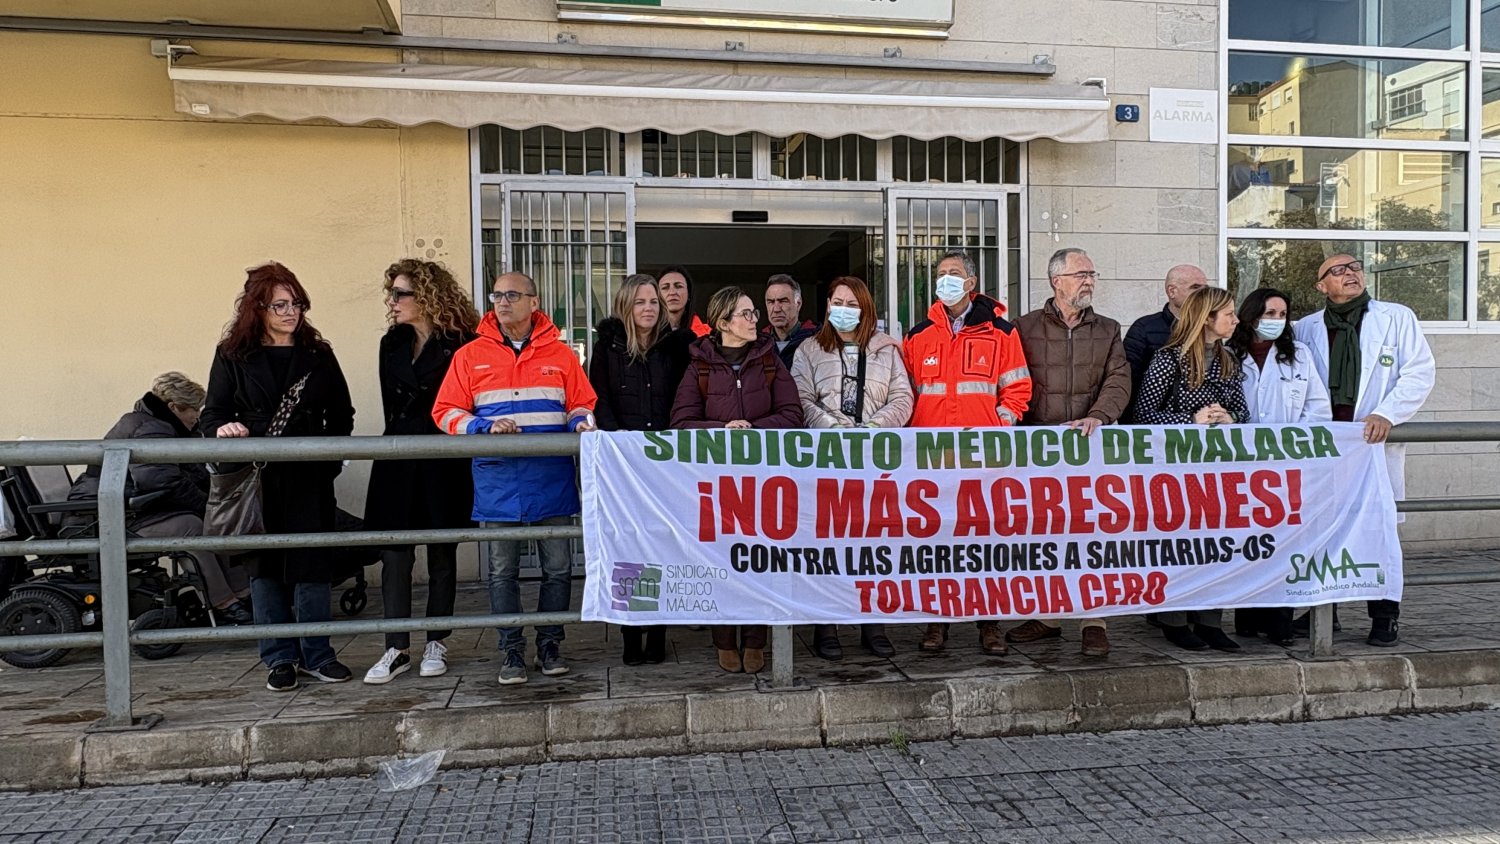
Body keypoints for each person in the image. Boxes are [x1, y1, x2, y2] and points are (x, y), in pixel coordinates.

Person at [432, 271, 597, 686]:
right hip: (498, 482)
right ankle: (510, 652)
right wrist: (480, 428)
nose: (502, 302)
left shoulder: (561, 356)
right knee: (501, 573)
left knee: (558, 569)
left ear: (534, 302)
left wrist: (582, 422)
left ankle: (550, 644)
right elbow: (445, 411)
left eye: (511, 295)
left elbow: (582, 403)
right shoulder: (469, 356)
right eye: (496, 295)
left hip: (551, 480)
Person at [203, 262, 356, 692]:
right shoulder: (233, 355)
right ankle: (279, 659)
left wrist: (329, 460)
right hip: (259, 479)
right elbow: (213, 412)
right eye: (281, 305)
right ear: (258, 309)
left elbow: (342, 414)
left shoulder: (317, 354)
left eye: (298, 304)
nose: (292, 312)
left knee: (311, 566)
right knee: (265, 570)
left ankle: (318, 654)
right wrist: (224, 429)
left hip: (308, 477)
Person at [1293, 254, 1435, 647]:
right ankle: (1326, 611)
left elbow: (1419, 372)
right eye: (1337, 270)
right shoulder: (1305, 328)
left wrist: (1386, 413)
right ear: (1322, 286)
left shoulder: (1396, 317)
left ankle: (1385, 615)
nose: (1350, 273)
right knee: (1324, 528)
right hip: (1327, 447)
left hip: (1373, 442)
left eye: (1354, 266)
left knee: (1379, 529)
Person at [902, 249, 1032, 656]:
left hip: (983, 460)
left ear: (972, 283)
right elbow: (906, 395)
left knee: (984, 545)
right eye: (940, 274)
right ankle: (935, 622)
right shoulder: (918, 335)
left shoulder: (1001, 332)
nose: (945, 281)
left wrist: (999, 428)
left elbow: (1018, 389)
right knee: (935, 542)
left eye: (954, 274)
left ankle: (988, 624)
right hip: (932, 458)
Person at [671, 285, 804, 674]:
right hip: (717, 486)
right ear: (723, 322)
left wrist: (754, 430)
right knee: (722, 562)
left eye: (753, 313)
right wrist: (722, 428)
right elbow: (681, 423)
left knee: (762, 560)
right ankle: (724, 639)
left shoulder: (768, 361)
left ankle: (756, 640)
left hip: (765, 484)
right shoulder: (699, 366)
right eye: (746, 314)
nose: (755, 320)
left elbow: (793, 414)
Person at [1007, 248, 1131, 658]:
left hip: (1090, 452)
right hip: (1038, 452)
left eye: (1093, 274)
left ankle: (1093, 621)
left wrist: (1099, 417)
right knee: (1043, 535)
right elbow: (1011, 382)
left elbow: (1118, 381)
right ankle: (1048, 615)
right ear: (1056, 280)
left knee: (1091, 537)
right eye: (1081, 274)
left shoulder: (1109, 329)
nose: (1089, 281)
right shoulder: (1022, 328)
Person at [362, 259, 480, 686]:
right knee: (395, 554)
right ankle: (396, 647)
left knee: (442, 553)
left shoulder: (463, 342)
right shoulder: (390, 343)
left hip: (443, 457)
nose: (392, 302)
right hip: (397, 456)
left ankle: (437, 641)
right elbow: (390, 405)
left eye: (401, 293)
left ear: (427, 296)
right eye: (391, 293)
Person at [789, 276, 913, 660]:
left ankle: (872, 625)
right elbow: (801, 398)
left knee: (872, 546)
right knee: (828, 547)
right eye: (836, 300)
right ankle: (827, 626)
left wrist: (873, 429)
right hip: (827, 460)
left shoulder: (885, 350)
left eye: (852, 302)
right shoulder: (808, 350)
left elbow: (903, 397)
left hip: (875, 463)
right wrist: (835, 428)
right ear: (827, 305)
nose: (843, 308)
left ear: (865, 308)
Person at [67, 372, 253, 625]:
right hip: (106, 518)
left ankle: (243, 594)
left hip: (126, 511)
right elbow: (163, 481)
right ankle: (226, 603)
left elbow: (183, 475)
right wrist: (206, 505)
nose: (197, 416)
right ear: (175, 407)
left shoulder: (154, 424)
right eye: (194, 410)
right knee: (192, 528)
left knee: (210, 522)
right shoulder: (151, 429)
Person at [589, 273, 695, 665]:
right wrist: (624, 446)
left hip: (667, 466)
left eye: (654, 301)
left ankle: (659, 631)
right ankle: (631, 631)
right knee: (630, 549)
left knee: (662, 546)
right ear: (626, 306)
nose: (649, 308)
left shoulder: (677, 346)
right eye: (641, 302)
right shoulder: (607, 347)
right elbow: (598, 399)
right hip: (625, 466)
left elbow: (686, 398)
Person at [1134, 287, 1247, 652]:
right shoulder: (1169, 359)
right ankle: (1174, 619)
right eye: (1228, 313)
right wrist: (1190, 420)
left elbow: (1244, 411)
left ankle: (1211, 620)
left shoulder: (1229, 359)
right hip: (1175, 469)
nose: (1235, 320)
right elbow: (1143, 415)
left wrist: (1230, 418)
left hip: (1216, 468)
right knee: (1177, 544)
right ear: (1207, 317)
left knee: (1216, 546)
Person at [1227, 286, 1332, 647]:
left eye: (1282, 315)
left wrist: (1290, 443)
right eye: (1269, 314)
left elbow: (1318, 408)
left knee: (1284, 544)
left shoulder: (1298, 354)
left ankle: (1279, 624)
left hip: (1287, 465)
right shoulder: (1228, 353)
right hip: (1239, 465)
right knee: (1247, 545)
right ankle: (1247, 619)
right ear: (1250, 315)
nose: (1276, 321)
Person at [1124, 264, 1209, 420]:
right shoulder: (1144, 328)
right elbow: (1129, 382)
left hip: (1202, 431)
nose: (1203, 295)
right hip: (1154, 430)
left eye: (1205, 288)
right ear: (1172, 291)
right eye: (1195, 287)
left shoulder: (1209, 329)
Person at [763, 274, 819, 369]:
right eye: (771, 302)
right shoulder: (759, 344)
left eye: (783, 301)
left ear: (798, 303)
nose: (776, 309)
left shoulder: (818, 342)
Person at [658, 266, 711, 338]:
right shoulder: (645, 335)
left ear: (689, 293)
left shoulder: (707, 335)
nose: (672, 292)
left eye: (679, 286)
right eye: (665, 287)